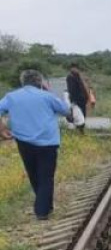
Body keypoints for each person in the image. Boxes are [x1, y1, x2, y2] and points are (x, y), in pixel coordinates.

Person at [0, 70, 71, 220]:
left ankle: (44, 205)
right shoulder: (47, 96)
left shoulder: (11, 97)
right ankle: (42, 210)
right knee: (46, 176)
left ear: (22, 82)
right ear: (40, 82)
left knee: (33, 173)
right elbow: (65, 110)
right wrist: (48, 90)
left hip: (24, 142)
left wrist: (3, 129)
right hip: (47, 142)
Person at [66, 63, 94, 131]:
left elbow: (83, 87)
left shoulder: (78, 76)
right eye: (74, 68)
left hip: (82, 100)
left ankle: (81, 131)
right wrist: (73, 101)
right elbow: (72, 90)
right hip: (76, 101)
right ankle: (80, 131)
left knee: (82, 116)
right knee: (78, 117)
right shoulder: (70, 77)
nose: (76, 70)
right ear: (71, 68)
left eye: (77, 68)